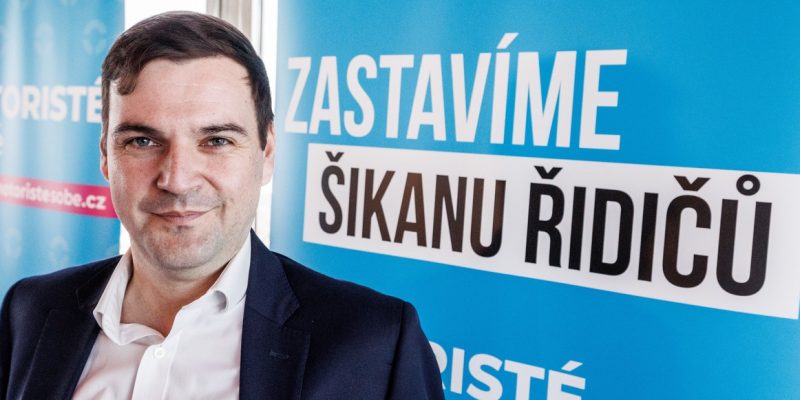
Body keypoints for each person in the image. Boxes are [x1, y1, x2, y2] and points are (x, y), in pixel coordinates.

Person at [0, 12, 443, 399]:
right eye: (142, 141)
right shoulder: (30, 310)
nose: (177, 179)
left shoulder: (375, 345)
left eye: (216, 140)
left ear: (267, 152)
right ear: (105, 155)